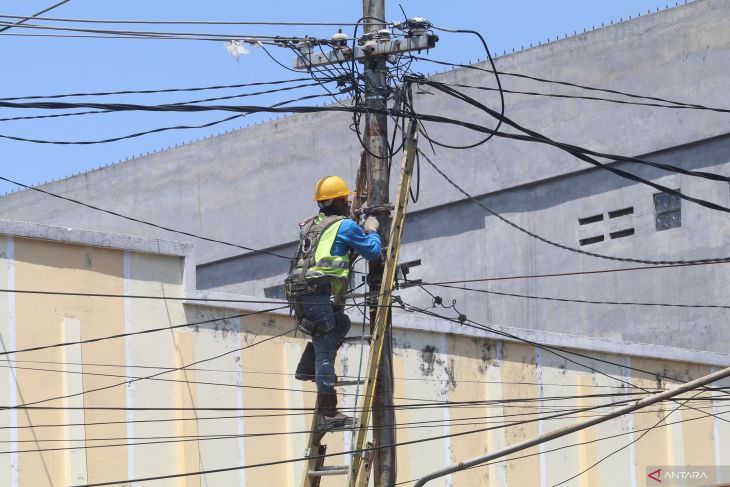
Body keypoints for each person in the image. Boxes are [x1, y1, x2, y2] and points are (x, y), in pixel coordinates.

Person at [285, 175, 382, 433]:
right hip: (317, 294)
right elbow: (373, 251)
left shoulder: (313, 224)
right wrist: (371, 229)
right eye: (345, 200)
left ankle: (308, 367)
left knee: (341, 322)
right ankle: (328, 413)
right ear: (339, 201)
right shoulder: (345, 226)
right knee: (326, 347)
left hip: (302, 294)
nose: (348, 203)